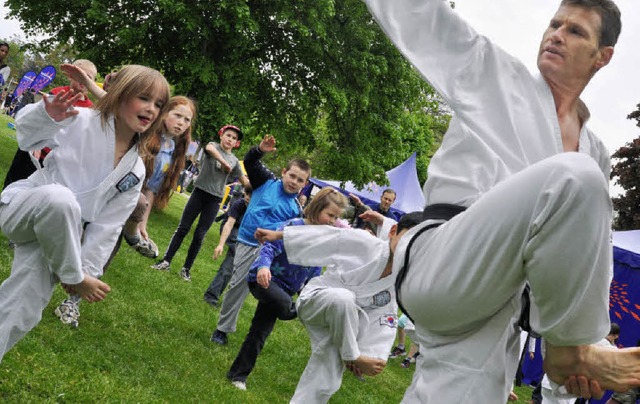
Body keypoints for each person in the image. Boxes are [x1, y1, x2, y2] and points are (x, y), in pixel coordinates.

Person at [363, 0, 640, 401]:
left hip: (502, 304)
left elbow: (588, 254)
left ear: (602, 57)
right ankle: (569, 350)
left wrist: (591, 347)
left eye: (575, 31)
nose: (556, 34)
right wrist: (577, 345)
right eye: (554, 23)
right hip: (442, 262)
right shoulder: (494, 77)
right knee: (574, 177)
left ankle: (574, 348)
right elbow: (421, 15)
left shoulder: (594, 149)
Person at [0, 64, 171, 362]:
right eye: (144, 98)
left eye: (158, 104)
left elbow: (108, 225)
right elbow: (26, 139)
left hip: (59, 238)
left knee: (22, 308)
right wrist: (45, 116)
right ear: (119, 94)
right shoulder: (80, 120)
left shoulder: (135, 169)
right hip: (25, 207)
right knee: (61, 199)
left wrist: (90, 270)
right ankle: (73, 272)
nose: (151, 109)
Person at [53, 95, 197, 328]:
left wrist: (142, 225)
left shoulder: (175, 149)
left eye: (187, 120)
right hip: (106, 193)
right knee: (77, 235)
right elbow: (116, 108)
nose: (181, 122)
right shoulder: (144, 132)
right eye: (177, 115)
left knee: (106, 245)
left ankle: (72, 301)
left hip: (129, 205)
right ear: (164, 114)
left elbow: (151, 190)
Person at [254, 210, 422, 402]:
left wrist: (373, 354)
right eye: (407, 240)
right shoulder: (364, 242)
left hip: (343, 325)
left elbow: (385, 313)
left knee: (326, 381)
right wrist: (280, 235)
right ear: (393, 231)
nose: (408, 250)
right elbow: (329, 237)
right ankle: (350, 354)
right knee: (343, 298)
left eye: (418, 248)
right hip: (317, 301)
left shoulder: (399, 281)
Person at [226, 188, 349, 391]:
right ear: (317, 208)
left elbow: (314, 270)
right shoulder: (295, 226)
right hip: (262, 280)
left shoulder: (322, 240)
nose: (332, 220)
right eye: (330, 215)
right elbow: (269, 247)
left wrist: (310, 293)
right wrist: (264, 266)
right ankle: (299, 309)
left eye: (336, 218)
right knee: (285, 305)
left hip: (283, 292)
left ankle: (237, 375)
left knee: (259, 333)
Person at [210, 135, 311, 345]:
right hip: (248, 242)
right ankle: (222, 329)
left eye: (300, 180)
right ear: (284, 172)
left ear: (305, 184)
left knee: (270, 292)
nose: (294, 182)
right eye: (292, 176)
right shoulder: (265, 182)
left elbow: (293, 235)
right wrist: (260, 150)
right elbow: (250, 162)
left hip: (271, 252)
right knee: (238, 286)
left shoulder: (296, 210)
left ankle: (260, 331)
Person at [152, 125, 249, 281]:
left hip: (215, 199)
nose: (230, 139)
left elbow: (244, 181)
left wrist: (256, 189)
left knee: (200, 235)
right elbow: (210, 149)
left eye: (234, 138)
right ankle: (166, 261)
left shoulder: (235, 162)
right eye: (228, 135)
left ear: (236, 143)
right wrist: (223, 162)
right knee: (183, 228)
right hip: (199, 193)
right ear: (221, 136)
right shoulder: (213, 146)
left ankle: (186, 269)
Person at [4, 60, 98, 190]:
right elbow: (37, 118)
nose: (84, 80)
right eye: (81, 75)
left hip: (53, 163)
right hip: (32, 153)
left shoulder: (90, 110)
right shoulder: (57, 94)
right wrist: (36, 144)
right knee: (12, 188)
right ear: (71, 75)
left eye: (89, 78)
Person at [203, 188, 252, 307]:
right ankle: (212, 295)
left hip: (243, 233)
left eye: (251, 195)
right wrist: (220, 244)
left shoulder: (259, 208)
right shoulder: (239, 204)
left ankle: (212, 295)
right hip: (231, 229)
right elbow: (229, 224)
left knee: (231, 263)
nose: (247, 197)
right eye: (247, 193)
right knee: (236, 256)